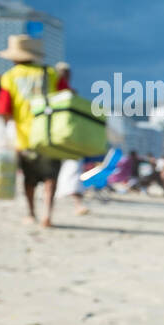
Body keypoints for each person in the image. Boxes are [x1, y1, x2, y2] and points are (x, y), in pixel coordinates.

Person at [0, 35, 68, 226]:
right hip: (51, 135)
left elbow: (3, 109)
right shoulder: (49, 72)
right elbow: (66, 96)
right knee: (51, 177)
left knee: (29, 178)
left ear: (14, 57)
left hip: (25, 137)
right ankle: (47, 213)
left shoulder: (10, 76)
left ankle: (31, 213)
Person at [50, 62, 89, 216]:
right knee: (56, 170)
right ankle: (52, 208)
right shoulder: (56, 93)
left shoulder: (71, 93)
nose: (64, 75)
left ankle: (77, 203)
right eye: (62, 72)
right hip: (54, 135)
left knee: (73, 167)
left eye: (66, 72)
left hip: (68, 137)